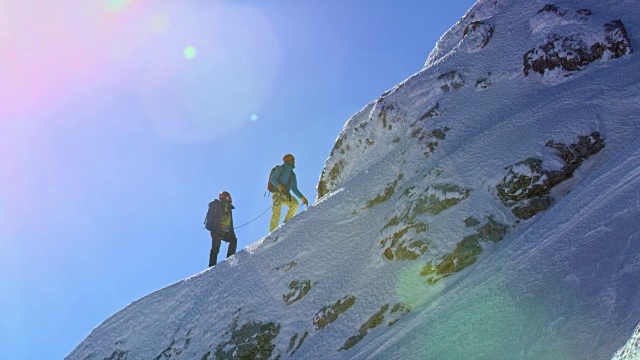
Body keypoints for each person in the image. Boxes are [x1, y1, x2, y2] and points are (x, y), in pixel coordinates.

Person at [269, 154, 308, 232]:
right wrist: (279, 186)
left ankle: (286, 224)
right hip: (277, 193)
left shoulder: (292, 174)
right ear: (287, 161)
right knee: (276, 214)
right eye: (292, 160)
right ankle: (272, 233)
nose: (293, 162)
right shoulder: (281, 168)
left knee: (295, 204)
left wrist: (302, 197)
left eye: (293, 160)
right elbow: (272, 179)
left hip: (285, 194)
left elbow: (294, 188)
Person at [204, 191, 238, 267]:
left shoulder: (228, 208)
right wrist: (218, 231)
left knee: (233, 240)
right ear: (225, 198)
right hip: (216, 230)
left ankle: (230, 258)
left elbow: (230, 222)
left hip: (222, 230)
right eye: (228, 197)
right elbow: (216, 219)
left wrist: (232, 233)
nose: (230, 199)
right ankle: (212, 267)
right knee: (215, 248)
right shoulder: (219, 206)